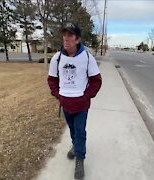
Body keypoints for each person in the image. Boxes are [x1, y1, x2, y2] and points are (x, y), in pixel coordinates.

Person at [47, 23, 102, 179]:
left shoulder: (86, 57)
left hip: (81, 104)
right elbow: (52, 80)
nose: (66, 38)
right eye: (64, 35)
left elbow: (96, 80)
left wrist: (86, 96)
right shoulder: (57, 58)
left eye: (70, 35)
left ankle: (80, 159)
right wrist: (58, 95)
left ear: (77, 39)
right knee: (72, 129)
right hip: (66, 103)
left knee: (80, 131)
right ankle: (75, 145)